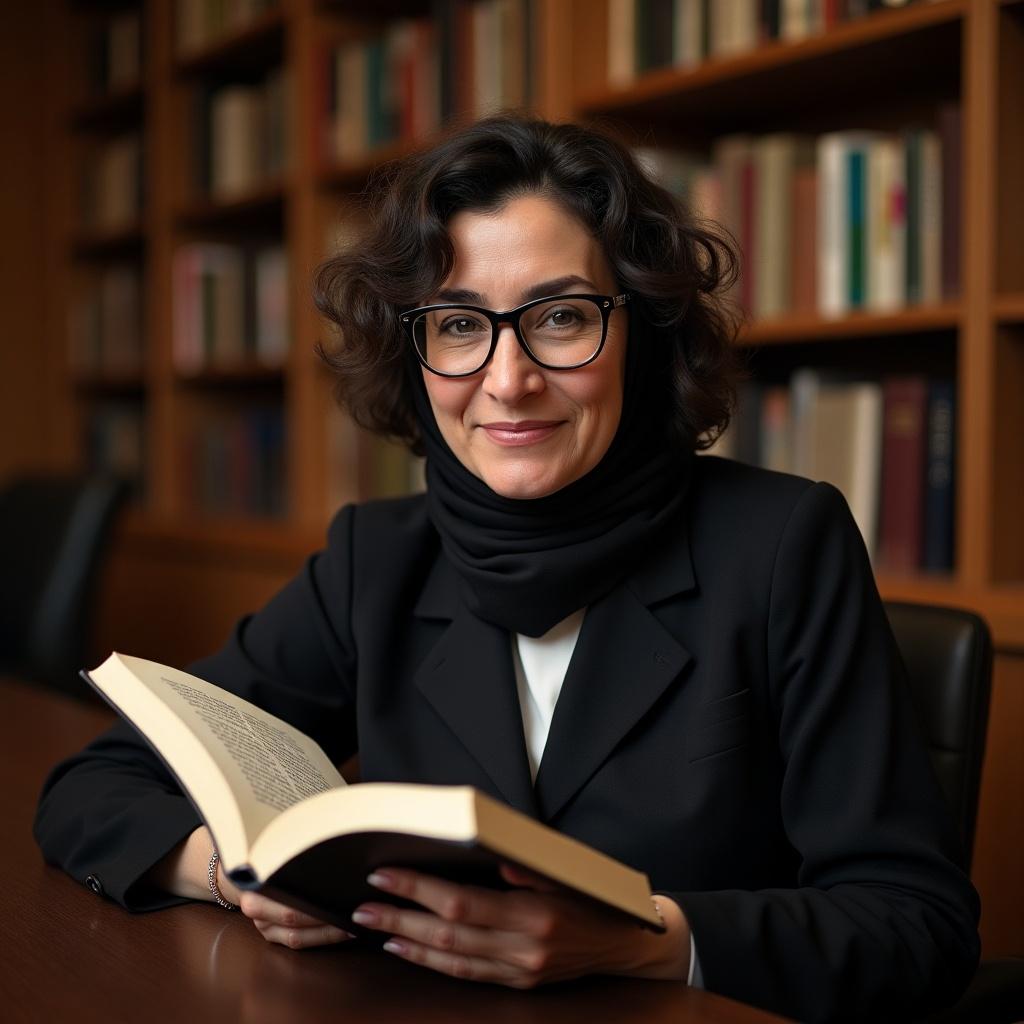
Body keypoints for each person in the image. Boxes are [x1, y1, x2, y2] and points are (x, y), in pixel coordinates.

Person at [35, 113, 979, 1023]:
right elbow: (95, 785)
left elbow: (915, 924)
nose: (508, 378)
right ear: (417, 353)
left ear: (641, 332)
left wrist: (649, 940)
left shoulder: (782, 547)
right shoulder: (378, 558)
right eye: (457, 325)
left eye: (560, 317)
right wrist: (229, 871)